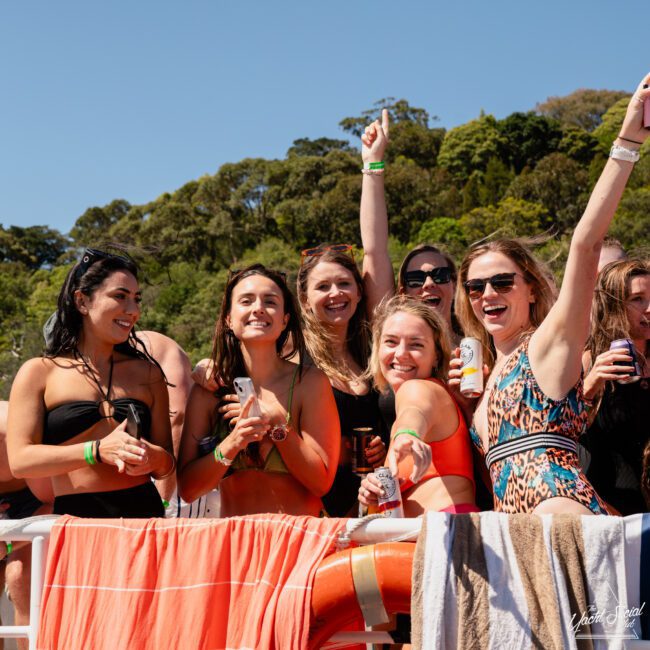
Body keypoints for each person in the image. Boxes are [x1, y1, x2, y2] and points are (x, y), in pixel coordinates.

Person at [451, 75, 650, 515]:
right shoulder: (484, 377)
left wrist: (628, 139)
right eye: (476, 286)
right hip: (516, 540)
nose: (488, 293)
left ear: (531, 291)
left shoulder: (544, 347)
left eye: (503, 282)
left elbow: (585, 244)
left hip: (561, 520)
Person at [7, 248, 175, 518]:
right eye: (120, 296)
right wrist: (95, 451)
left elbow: (167, 464)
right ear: (82, 301)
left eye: (136, 299)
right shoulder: (39, 373)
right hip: (77, 522)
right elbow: (20, 461)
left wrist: (153, 457)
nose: (133, 311)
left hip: (144, 519)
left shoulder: (148, 374)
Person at [177, 264, 339, 517]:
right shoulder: (209, 390)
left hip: (301, 539)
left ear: (285, 319)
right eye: (246, 300)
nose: (258, 308)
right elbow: (188, 489)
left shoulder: (310, 383)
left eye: (270, 301)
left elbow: (321, 483)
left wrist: (276, 422)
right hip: (236, 544)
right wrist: (232, 443)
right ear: (228, 319)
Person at [357, 295, 476, 517]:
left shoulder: (421, 389)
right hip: (420, 537)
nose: (401, 354)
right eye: (391, 342)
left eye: (416, 345)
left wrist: (407, 434)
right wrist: (373, 496)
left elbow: (415, 411)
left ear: (436, 357)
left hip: (445, 532)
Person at [297, 247, 386, 516]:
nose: (335, 293)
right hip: (316, 508)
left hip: (369, 507)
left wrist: (381, 450)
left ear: (359, 293)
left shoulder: (370, 351)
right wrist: (208, 368)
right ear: (304, 300)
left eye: (344, 283)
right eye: (323, 286)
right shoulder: (292, 350)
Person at [580, 258, 649, 514]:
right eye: (637, 299)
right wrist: (592, 383)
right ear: (614, 306)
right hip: (609, 504)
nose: (649, 308)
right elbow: (564, 433)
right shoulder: (590, 360)